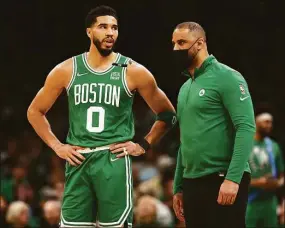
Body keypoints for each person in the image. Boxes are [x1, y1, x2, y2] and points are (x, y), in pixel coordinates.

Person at [27, 5, 176, 228]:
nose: (110, 33)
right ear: (89, 32)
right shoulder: (67, 69)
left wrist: (143, 144)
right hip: (78, 160)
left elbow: (168, 115)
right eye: (103, 27)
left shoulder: (133, 70)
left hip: (112, 160)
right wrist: (57, 146)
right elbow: (34, 111)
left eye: (114, 28)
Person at [171, 22, 256, 227]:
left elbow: (246, 127)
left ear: (200, 43)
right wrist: (178, 187)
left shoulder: (227, 77)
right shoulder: (185, 87)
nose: (175, 49)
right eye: (173, 43)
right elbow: (186, 138)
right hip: (192, 183)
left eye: (182, 42)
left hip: (222, 178)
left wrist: (233, 179)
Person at [246, 113, 284, 227]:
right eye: (266, 121)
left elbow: (282, 175)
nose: (269, 125)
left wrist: (277, 183)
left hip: (270, 202)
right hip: (249, 202)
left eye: (271, 122)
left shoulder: (273, 146)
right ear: (256, 122)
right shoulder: (244, 144)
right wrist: (258, 183)